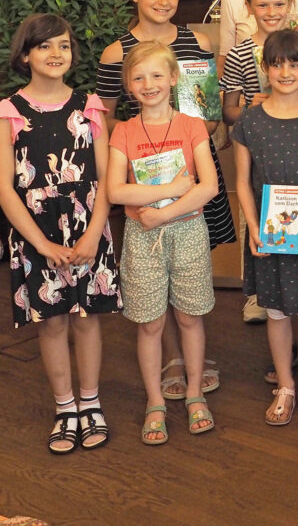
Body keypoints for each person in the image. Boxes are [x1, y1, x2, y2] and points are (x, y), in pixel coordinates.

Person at [96, 0, 232, 397]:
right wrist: (147, 158)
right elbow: (104, 119)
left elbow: (207, 109)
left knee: (191, 262)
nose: (163, 1)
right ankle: (172, 356)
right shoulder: (117, 52)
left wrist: (202, 131)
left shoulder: (197, 41)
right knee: (153, 279)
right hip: (141, 173)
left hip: (192, 162)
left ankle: (192, 350)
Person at [0, 14, 119, 454]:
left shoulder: (91, 105)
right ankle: (65, 408)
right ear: (25, 55)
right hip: (36, 232)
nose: (55, 54)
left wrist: (93, 235)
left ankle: (91, 402)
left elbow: (106, 177)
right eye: (44, 46)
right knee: (51, 322)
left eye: (63, 45)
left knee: (87, 318)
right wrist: (40, 243)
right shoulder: (8, 113)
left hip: (88, 228)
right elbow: (3, 187)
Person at [108, 41, 220, 444]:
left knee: (190, 316)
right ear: (128, 85)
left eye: (157, 75)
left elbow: (207, 185)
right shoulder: (123, 131)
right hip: (142, 238)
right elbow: (116, 191)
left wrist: (163, 212)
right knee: (151, 322)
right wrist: (170, 190)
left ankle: (194, 392)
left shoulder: (191, 126)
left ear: (173, 78)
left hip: (187, 229)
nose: (148, 84)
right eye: (138, 77)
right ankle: (155, 400)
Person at [232, 29, 298, 426]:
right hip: (267, 233)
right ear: (264, 68)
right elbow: (242, 180)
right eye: (277, 64)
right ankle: (286, 385)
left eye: (294, 64)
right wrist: (254, 227)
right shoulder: (250, 120)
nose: (286, 72)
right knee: (275, 312)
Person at [222, 0, 298, 126]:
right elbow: (228, 114)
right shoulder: (238, 55)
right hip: (260, 135)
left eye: (279, 4)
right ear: (248, 6)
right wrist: (250, 109)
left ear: (290, 4)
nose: (271, 12)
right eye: (262, 5)